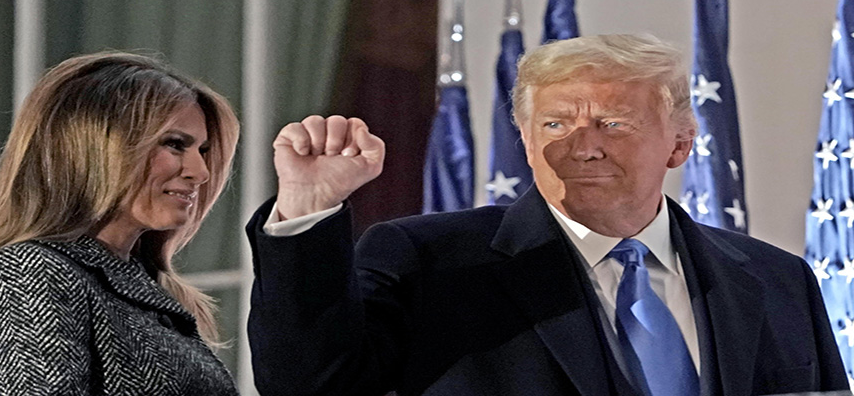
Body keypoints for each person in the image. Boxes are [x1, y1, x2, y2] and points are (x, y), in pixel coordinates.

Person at [245, 34, 848, 395]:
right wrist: (308, 208)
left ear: (680, 144)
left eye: (613, 123)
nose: (581, 145)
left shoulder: (777, 280)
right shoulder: (428, 262)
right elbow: (307, 387)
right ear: (528, 143)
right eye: (555, 124)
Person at [0, 52, 240, 395]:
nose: (201, 173)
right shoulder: (26, 271)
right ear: (97, 146)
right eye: (175, 144)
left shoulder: (141, 287)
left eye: (203, 151)